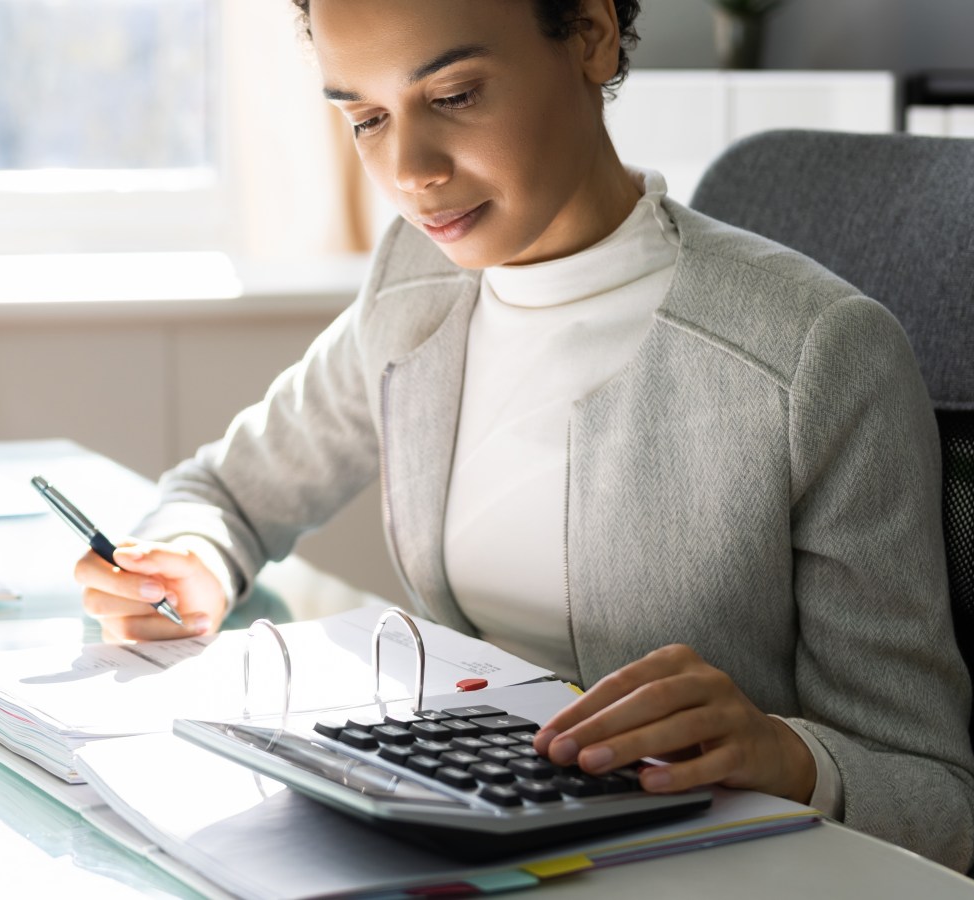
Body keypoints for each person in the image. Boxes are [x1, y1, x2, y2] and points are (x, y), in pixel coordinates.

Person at [73, 0, 974, 871]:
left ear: (589, 31)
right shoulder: (414, 285)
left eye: (455, 96)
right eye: (367, 117)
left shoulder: (816, 355)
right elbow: (228, 493)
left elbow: (935, 796)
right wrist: (191, 560)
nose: (409, 170)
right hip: (466, 847)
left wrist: (781, 754)